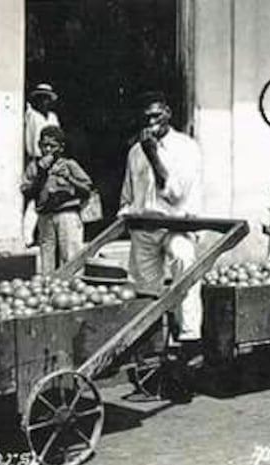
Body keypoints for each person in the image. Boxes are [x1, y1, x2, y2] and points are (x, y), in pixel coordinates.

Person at [119, 91, 203, 343]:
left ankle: (189, 337)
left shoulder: (186, 147)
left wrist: (153, 154)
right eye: (146, 118)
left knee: (183, 264)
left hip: (177, 223)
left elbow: (176, 194)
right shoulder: (135, 151)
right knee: (144, 287)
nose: (151, 122)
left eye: (156, 116)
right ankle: (152, 339)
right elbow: (128, 193)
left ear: (168, 114)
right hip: (145, 225)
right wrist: (127, 216)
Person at [20, 125, 92, 273]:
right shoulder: (34, 166)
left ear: (61, 147)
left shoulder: (69, 165)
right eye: (43, 145)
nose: (47, 150)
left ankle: (73, 287)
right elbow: (27, 192)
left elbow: (87, 190)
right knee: (47, 258)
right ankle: (49, 288)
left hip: (67, 214)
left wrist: (69, 178)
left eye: (51, 146)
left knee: (71, 255)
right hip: (45, 215)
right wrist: (41, 173)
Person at [22, 83, 61, 247]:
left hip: (53, 159)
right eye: (41, 98)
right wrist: (38, 160)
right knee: (35, 197)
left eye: (47, 99)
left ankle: (46, 235)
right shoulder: (32, 116)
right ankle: (27, 237)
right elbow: (30, 140)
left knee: (50, 196)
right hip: (38, 159)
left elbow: (59, 137)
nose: (44, 102)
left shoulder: (53, 117)